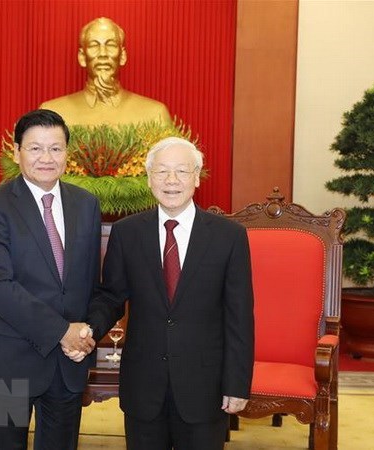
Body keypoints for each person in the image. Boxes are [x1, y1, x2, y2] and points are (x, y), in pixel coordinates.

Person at [76, 137, 255, 449]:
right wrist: (89, 328)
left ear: (197, 177)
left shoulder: (229, 236)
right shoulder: (128, 232)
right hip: (144, 384)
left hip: (205, 386)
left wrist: (237, 384)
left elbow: (239, 316)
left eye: (182, 171)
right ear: (149, 179)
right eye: (162, 172)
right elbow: (111, 296)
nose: (172, 181)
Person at [0, 109, 101, 450]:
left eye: (56, 148)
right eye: (35, 148)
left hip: (66, 364)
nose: (47, 158)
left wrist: (84, 334)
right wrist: (62, 331)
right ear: (16, 153)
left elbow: (89, 282)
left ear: (67, 154)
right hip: (8, 362)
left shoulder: (86, 204)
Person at [40, 17, 173, 127]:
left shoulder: (155, 114)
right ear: (82, 57)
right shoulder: (52, 112)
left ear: (122, 56)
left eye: (110, 45)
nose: (103, 53)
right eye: (94, 45)